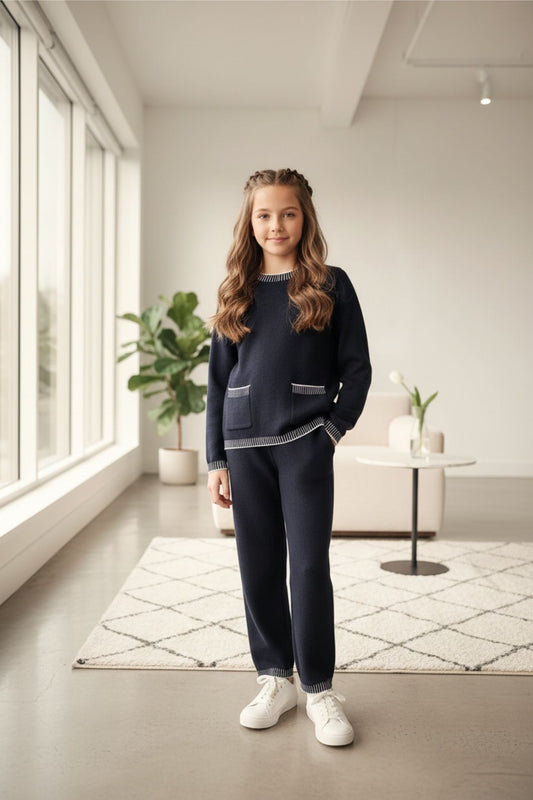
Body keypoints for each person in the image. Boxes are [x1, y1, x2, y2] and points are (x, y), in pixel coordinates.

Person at [206, 168, 371, 747]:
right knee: (257, 566)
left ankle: (320, 690)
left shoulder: (330, 283)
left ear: (305, 218)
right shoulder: (235, 289)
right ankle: (275, 679)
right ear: (249, 222)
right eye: (264, 215)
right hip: (243, 447)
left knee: (307, 567)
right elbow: (218, 382)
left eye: (288, 213)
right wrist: (216, 460)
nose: (276, 225)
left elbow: (357, 369)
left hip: (305, 445)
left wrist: (331, 430)